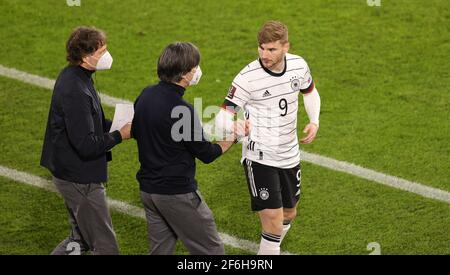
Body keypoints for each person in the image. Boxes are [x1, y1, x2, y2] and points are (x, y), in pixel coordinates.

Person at [132, 42, 246, 255]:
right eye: (195, 67)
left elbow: (140, 131)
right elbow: (207, 154)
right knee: (212, 252)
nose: (198, 71)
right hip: (176, 194)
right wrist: (234, 137)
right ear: (185, 74)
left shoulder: (146, 95)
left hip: (148, 191)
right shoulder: (182, 110)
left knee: (160, 251)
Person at [220, 21, 321, 255]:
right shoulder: (248, 77)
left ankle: (268, 248)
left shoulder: (298, 65)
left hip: (289, 153)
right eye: (261, 48)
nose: (264, 55)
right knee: (274, 222)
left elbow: (310, 92)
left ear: (286, 47)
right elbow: (224, 113)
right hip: (260, 155)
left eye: (271, 49)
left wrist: (314, 120)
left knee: (289, 213)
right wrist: (233, 123)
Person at [40, 26, 132, 255]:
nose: (106, 56)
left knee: (79, 240)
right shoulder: (76, 90)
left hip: (70, 172)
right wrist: (121, 134)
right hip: (79, 177)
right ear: (84, 56)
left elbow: (92, 121)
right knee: (105, 246)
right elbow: (87, 145)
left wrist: (120, 125)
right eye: (101, 52)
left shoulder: (76, 76)